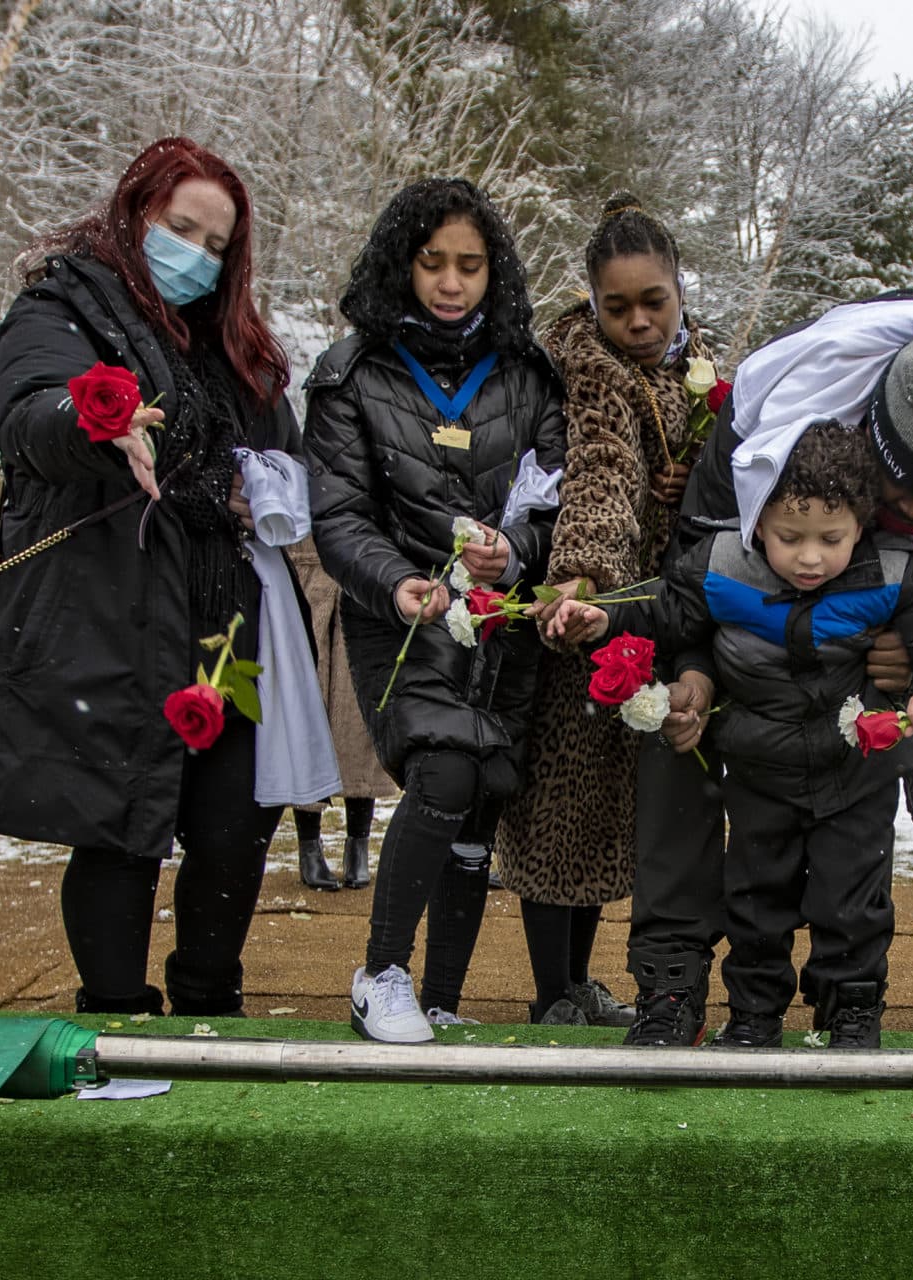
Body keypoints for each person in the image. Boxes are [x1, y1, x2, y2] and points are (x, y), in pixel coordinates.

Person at [621, 297, 913, 1046]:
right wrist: (700, 677)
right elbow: (697, 584)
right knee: (692, 784)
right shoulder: (775, 420)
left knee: (852, 876)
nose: (902, 514)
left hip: (861, 700)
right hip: (745, 668)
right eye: (891, 494)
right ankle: (672, 985)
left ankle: (850, 1004)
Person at [0, 137, 299, 1017]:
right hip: (113, 613)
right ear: (135, 215)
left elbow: (279, 445)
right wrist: (94, 421)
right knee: (119, 826)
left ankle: (212, 1007)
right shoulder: (61, 306)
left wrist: (271, 488)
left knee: (232, 827)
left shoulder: (233, 340)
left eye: (218, 245)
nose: (198, 257)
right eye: (182, 230)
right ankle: (116, 1013)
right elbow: (30, 417)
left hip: (226, 626)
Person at [548, 420, 913, 1047]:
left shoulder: (895, 571)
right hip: (759, 773)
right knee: (755, 901)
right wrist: (601, 616)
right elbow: (664, 614)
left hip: (855, 771)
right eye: (788, 537)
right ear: (756, 519)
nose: (810, 557)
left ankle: (852, 1010)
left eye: (831, 538)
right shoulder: (722, 566)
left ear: (862, 523)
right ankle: (753, 1013)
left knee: (852, 904)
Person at [306, 177, 566, 1042]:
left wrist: (516, 553)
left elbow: (553, 501)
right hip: (404, 617)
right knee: (445, 768)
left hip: (499, 622)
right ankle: (380, 973)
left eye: (471, 265)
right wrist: (398, 581)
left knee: (485, 787)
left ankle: (444, 994)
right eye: (432, 264)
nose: (451, 283)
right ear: (402, 264)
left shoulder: (529, 374)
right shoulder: (351, 373)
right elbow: (339, 516)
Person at [493, 195, 711, 1027]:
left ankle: (578, 983)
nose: (638, 320)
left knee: (604, 821)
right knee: (561, 814)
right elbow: (598, 475)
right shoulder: (584, 369)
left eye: (653, 301)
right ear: (590, 301)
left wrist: (697, 480)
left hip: (661, 613)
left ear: (679, 290)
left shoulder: (705, 368)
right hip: (586, 615)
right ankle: (554, 995)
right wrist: (583, 579)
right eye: (616, 306)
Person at [285, 537, 397, 891]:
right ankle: (309, 846)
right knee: (307, 711)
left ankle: (357, 846)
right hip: (304, 576)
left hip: (358, 579)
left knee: (359, 718)